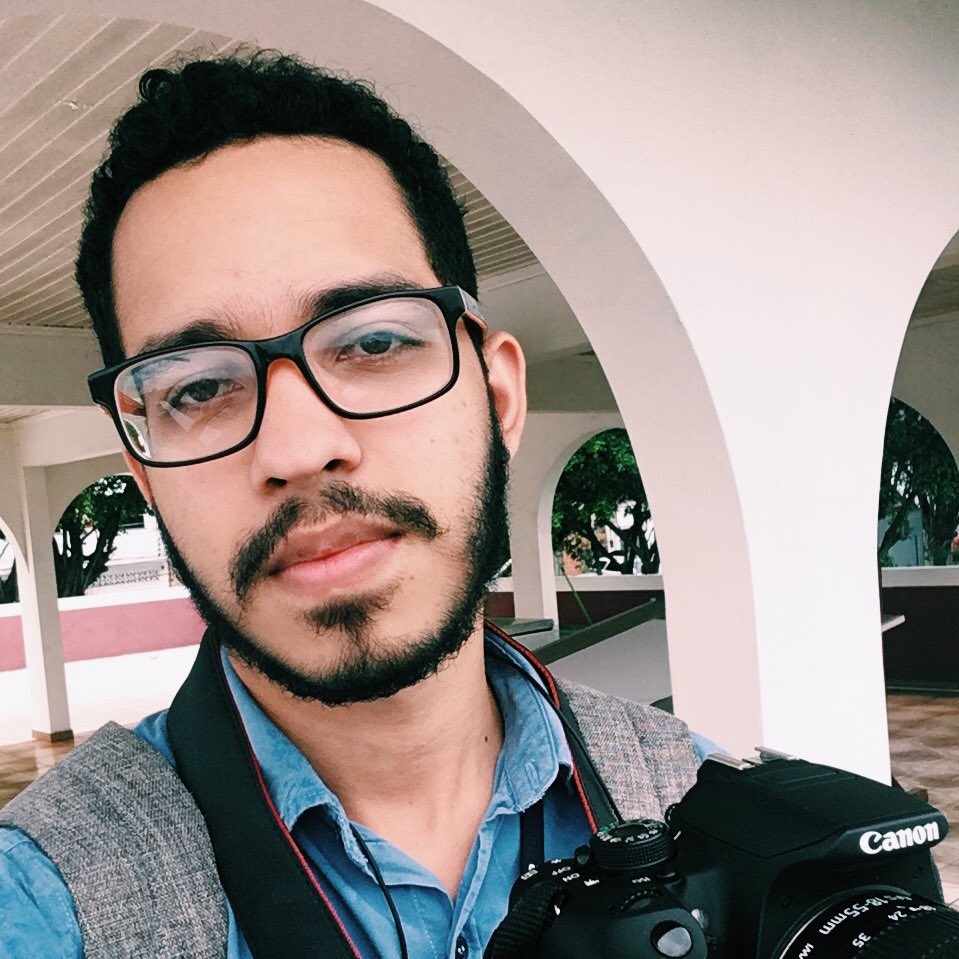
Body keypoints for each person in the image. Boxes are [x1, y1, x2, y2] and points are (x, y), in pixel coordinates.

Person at [0, 52, 712, 958]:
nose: (298, 448)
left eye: (373, 340)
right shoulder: (38, 904)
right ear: (146, 476)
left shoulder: (708, 800)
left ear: (497, 397)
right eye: (197, 388)